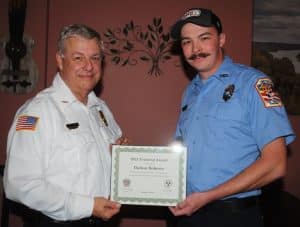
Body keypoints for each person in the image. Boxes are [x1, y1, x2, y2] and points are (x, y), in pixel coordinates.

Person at [168, 8, 296, 227]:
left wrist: (208, 196)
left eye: (204, 38)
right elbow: (180, 149)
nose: (195, 49)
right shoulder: (190, 92)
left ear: (221, 40)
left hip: (233, 216)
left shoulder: (253, 84)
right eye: (187, 42)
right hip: (188, 213)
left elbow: (275, 164)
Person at [4, 24, 127, 227]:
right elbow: (19, 185)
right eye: (78, 58)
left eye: (95, 58)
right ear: (60, 61)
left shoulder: (101, 109)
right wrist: (87, 206)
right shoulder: (37, 112)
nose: (89, 66)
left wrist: (119, 156)